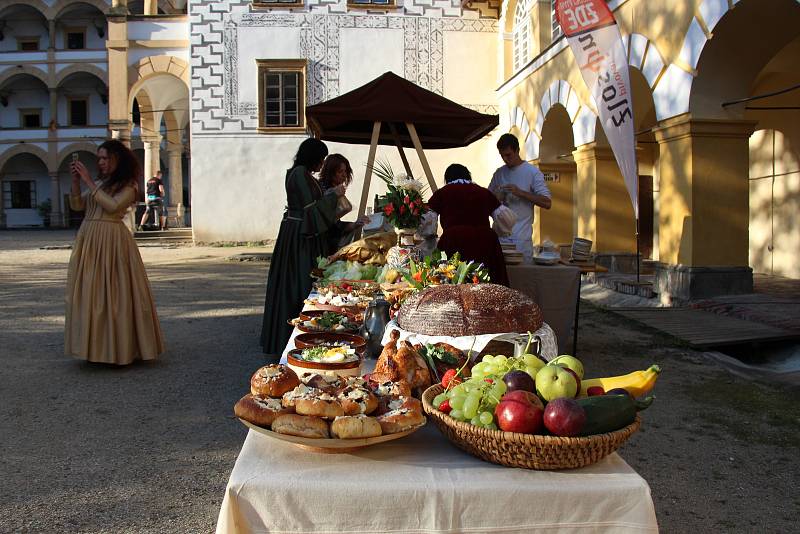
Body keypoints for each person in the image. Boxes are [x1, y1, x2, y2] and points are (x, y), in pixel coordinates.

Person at [65, 140, 164, 365]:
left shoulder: (129, 186)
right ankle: (95, 349)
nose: (100, 162)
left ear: (117, 159)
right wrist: (75, 181)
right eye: (99, 158)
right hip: (89, 239)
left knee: (115, 294)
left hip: (112, 241)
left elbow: (112, 206)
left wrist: (89, 181)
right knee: (92, 293)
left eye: (105, 158)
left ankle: (121, 348)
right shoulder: (100, 182)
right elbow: (78, 206)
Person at [260, 139, 345, 355]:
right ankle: (293, 336)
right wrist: (333, 196)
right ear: (313, 157)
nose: (322, 164)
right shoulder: (299, 174)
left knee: (295, 281)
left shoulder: (301, 173)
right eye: (321, 159)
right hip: (299, 237)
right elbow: (311, 211)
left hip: (297, 233)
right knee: (298, 281)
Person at [428, 164, 510, 286]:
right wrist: (497, 232)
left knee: (454, 282)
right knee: (488, 283)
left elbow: (427, 222)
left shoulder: (442, 193)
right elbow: (506, 220)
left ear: (447, 178)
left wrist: (431, 237)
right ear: (468, 176)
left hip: (454, 242)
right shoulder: (484, 192)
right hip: (485, 243)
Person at [488, 133, 552, 263]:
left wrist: (521, 193)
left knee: (522, 280)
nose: (505, 159)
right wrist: (496, 198)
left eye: (508, 155)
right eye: (502, 156)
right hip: (500, 238)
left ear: (517, 150)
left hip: (521, 239)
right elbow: (486, 201)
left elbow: (547, 202)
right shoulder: (499, 173)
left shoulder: (532, 172)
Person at [318, 154, 370, 255]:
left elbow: (336, 224)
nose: (344, 175)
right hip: (320, 245)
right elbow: (328, 224)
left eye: (345, 171)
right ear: (330, 173)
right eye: (340, 171)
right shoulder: (322, 191)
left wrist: (356, 224)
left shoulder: (334, 190)